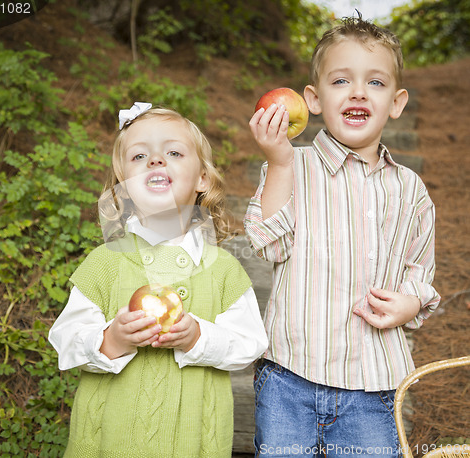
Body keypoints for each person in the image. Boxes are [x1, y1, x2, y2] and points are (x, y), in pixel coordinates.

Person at [244, 15, 440, 458]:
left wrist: (410, 302)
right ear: (312, 99)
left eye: (375, 82)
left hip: (373, 385)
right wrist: (277, 162)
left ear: (397, 101)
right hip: (289, 379)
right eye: (340, 80)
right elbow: (268, 242)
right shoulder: (293, 167)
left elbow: (419, 270)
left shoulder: (411, 189)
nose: (357, 92)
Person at [49, 103, 268, 457]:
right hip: (109, 441)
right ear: (124, 184)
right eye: (139, 156)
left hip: (193, 442)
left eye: (173, 152)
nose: (155, 160)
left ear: (202, 179)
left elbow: (249, 344)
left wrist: (198, 336)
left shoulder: (224, 269)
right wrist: (112, 339)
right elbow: (66, 339)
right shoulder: (105, 262)